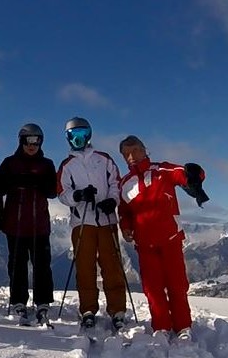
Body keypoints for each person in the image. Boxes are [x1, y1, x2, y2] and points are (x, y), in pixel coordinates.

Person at [116, 135, 209, 343]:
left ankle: (183, 326)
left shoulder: (162, 170)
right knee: (153, 289)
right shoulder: (124, 183)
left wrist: (195, 174)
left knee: (177, 285)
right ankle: (161, 327)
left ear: (144, 149)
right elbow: (124, 211)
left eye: (135, 151)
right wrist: (126, 228)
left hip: (170, 239)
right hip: (144, 244)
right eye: (126, 153)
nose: (131, 156)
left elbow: (185, 175)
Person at [56, 117, 127, 331]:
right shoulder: (67, 165)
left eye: (82, 134)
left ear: (89, 135)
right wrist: (78, 195)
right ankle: (88, 309)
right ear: (68, 138)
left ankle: (117, 309)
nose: (79, 139)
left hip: (106, 219)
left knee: (112, 265)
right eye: (73, 136)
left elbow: (116, 183)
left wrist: (112, 200)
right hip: (82, 220)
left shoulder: (104, 159)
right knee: (85, 267)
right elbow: (61, 193)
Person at [0, 123, 57, 325]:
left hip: (39, 224)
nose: (32, 145)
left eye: (36, 141)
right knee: (17, 264)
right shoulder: (10, 163)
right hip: (15, 223)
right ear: (21, 142)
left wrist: (39, 183)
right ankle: (19, 300)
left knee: (42, 265)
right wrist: (12, 183)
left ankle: (42, 301)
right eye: (28, 141)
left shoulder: (46, 165)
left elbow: (53, 192)